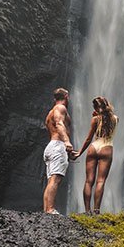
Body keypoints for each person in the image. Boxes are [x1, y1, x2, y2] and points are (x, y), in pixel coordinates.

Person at [71, 96, 118, 214]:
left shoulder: (95, 119)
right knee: (100, 181)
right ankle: (96, 210)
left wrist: (79, 153)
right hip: (106, 148)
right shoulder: (116, 119)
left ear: (96, 108)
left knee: (88, 181)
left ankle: (87, 211)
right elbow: (108, 120)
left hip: (93, 147)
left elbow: (88, 139)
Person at [42, 87, 74, 215]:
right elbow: (59, 124)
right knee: (55, 179)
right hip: (57, 145)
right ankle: (50, 209)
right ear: (66, 97)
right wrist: (66, 141)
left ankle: (46, 210)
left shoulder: (50, 113)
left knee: (51, 180)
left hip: (51, 146)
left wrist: (69, 152)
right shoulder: (60, 108)